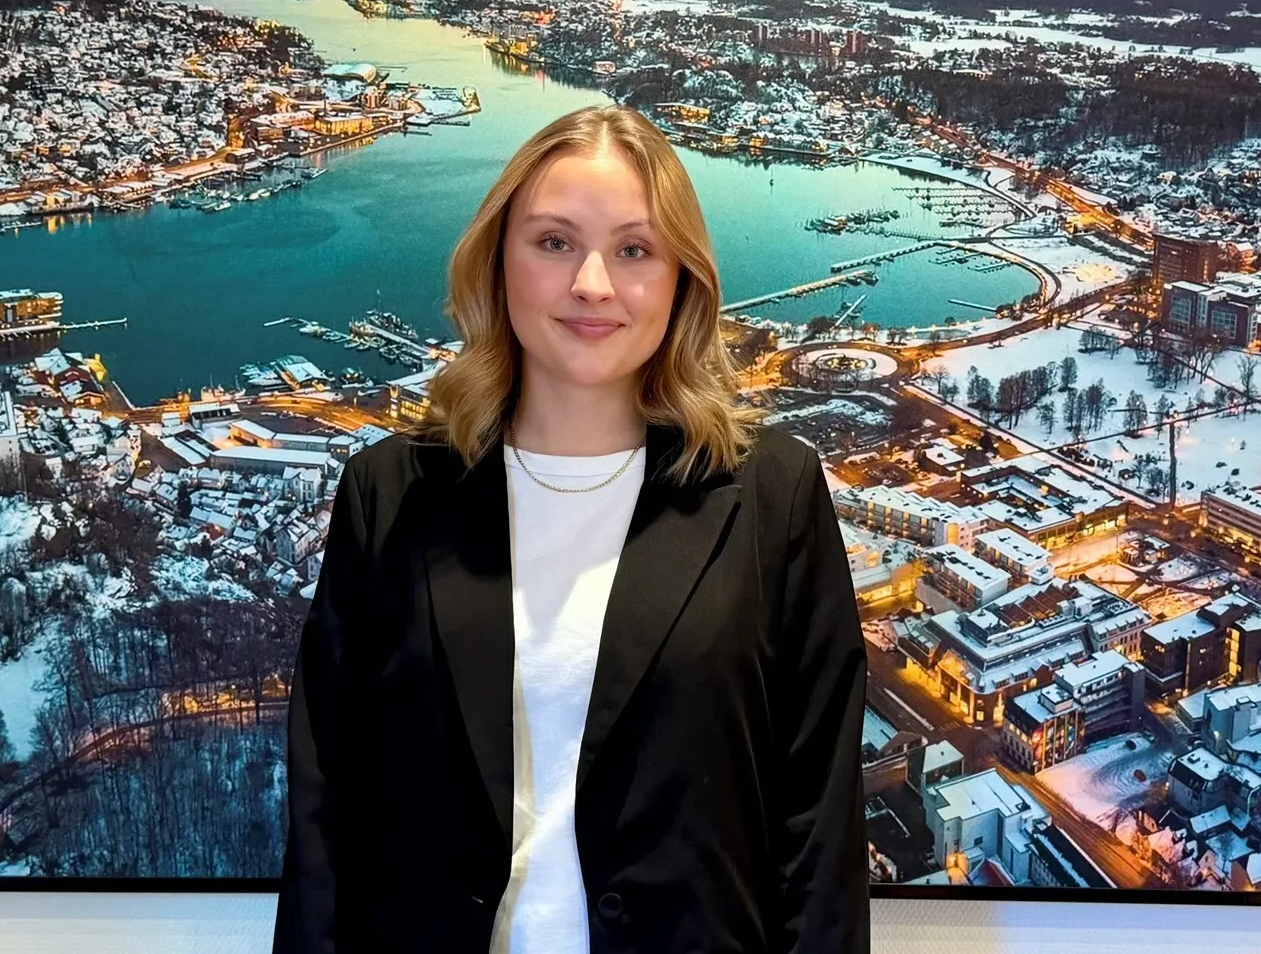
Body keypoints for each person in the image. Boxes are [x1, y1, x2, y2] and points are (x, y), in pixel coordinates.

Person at [273, 104, 871, 954]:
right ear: (498, 262)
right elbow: (325, 809)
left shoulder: (773, 494)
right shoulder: (389, 495)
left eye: (634, 250)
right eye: (554, 242)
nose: (593, 283)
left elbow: (819, 828)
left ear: (681, 279)